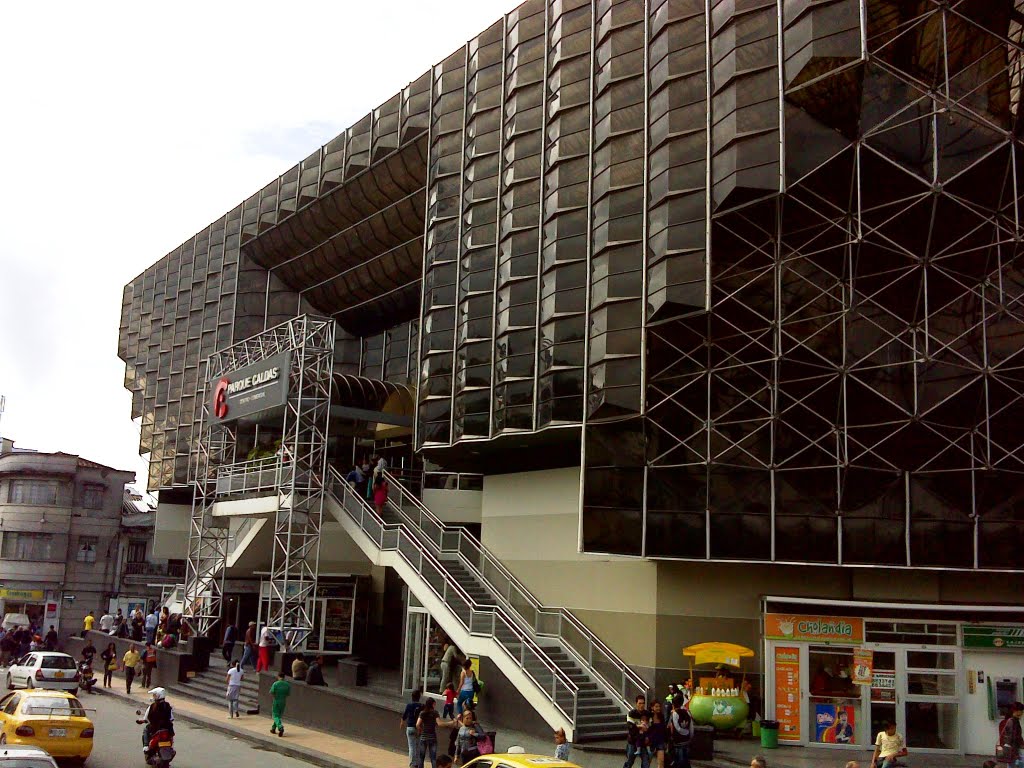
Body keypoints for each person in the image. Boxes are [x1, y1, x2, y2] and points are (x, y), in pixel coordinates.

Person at [416, 698, 455, 768]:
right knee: (433, 757)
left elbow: (417, 724)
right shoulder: (435, 713)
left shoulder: (422, 713)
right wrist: (450, 723)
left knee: (421, 757)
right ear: (433, 704)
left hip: (423, 737)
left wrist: (421, 731)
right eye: (434, 704)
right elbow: (439, 724)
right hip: (432, 738)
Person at [624, 694, 650, 768]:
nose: (642, 705)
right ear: (636, 704)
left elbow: (649, 727)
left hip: (643, 741)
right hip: (632, 741)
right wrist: (640, 726)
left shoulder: (647, 714)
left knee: (646, 763)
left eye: (643, 703)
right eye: (640, 703)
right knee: (630, 761)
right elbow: (630, 727)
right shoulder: (631, 713)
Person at [669, 694, 693, 768]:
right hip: (687, 740)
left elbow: (677, 728)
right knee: (686, 761)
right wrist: (689, 735)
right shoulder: (687, 712)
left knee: (680, 761)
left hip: (678, 741)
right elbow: (691, 727)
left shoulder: (674, 714)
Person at [402, 689, 423, 768]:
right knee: (417, 746)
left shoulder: (409, 705)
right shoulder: (422, 706)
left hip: (410, 727)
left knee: (411, 747)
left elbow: (405, 715)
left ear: (412, 697)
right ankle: (417, 763)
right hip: (418, 727)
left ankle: (412, 764)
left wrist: (402, 722)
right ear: (419, 697)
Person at [999, 702, 1024, 767]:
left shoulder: (1015, 720)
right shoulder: (1009, 721)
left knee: (1014, 764)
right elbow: (1007, 737)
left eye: (1022, 711)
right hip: (1010, 748)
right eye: (1020, 711)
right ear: (1013, 710)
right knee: (1013, 764)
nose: (1021, 713)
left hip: (1012, 748)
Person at [269, 671, 292, 737]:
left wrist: (275, 696)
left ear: (278, 676)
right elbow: (288, 694)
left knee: (275, 716)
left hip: (276, 700)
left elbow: (272, 692)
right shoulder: (287, 685)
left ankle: (280, 726)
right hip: (283, 701)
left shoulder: (275, 684)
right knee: (279, 716)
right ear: (284, 677)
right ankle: (273, 728)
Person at [647, 700, 667, 768]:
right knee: (647, 762)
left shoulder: (661, 717)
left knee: (661, 762)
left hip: (660, 741)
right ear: (652, 707)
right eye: (656, 706)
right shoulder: (648, 716)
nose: (658, 708)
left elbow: (664, 729)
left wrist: (665, 741)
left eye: (659, 706)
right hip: (650, 742)